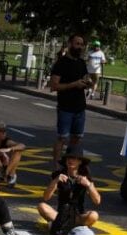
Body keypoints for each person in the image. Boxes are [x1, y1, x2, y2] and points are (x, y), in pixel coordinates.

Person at [47, 34, 92, 164]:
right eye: (77, 44)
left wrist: (88, 82)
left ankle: (70, 164)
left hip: (80, 107)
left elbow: (85, 78)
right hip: (65, 107)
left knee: (77, 138)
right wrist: (74, 84)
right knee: (62, 138)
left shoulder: (81, 63)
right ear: (70, 44)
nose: (79, 47)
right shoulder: (61, 63)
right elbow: (54, 86)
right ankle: (56, 165)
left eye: (81, 44)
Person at [37, 147, 100, 235]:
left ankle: (63, 226)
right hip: (61, 215)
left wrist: (88, 185)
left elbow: (97, 201)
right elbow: (46, 197)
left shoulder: (85, 177)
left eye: (74, 159)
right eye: (69, 158)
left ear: (80, 162)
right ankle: (69, 227)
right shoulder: (59, 175)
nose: (71, 160)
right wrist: (55, 181)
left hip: (78, 216)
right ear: (65, 160)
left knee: (93, 215)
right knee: (42, 206)